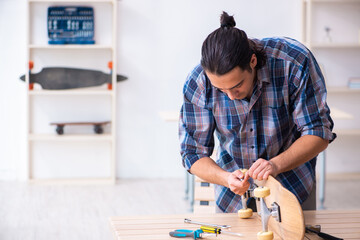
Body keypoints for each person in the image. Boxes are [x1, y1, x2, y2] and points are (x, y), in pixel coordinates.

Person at [179, 11, 336, 212]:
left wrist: (276, 165)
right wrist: (226, 178)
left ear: (252, 61)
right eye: (221, 90)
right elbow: (192, 152)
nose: (230, 97)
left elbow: (318, 132)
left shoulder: (294, 62)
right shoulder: (198, 82)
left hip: (292, 188)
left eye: (236, 86)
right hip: (232, 196)